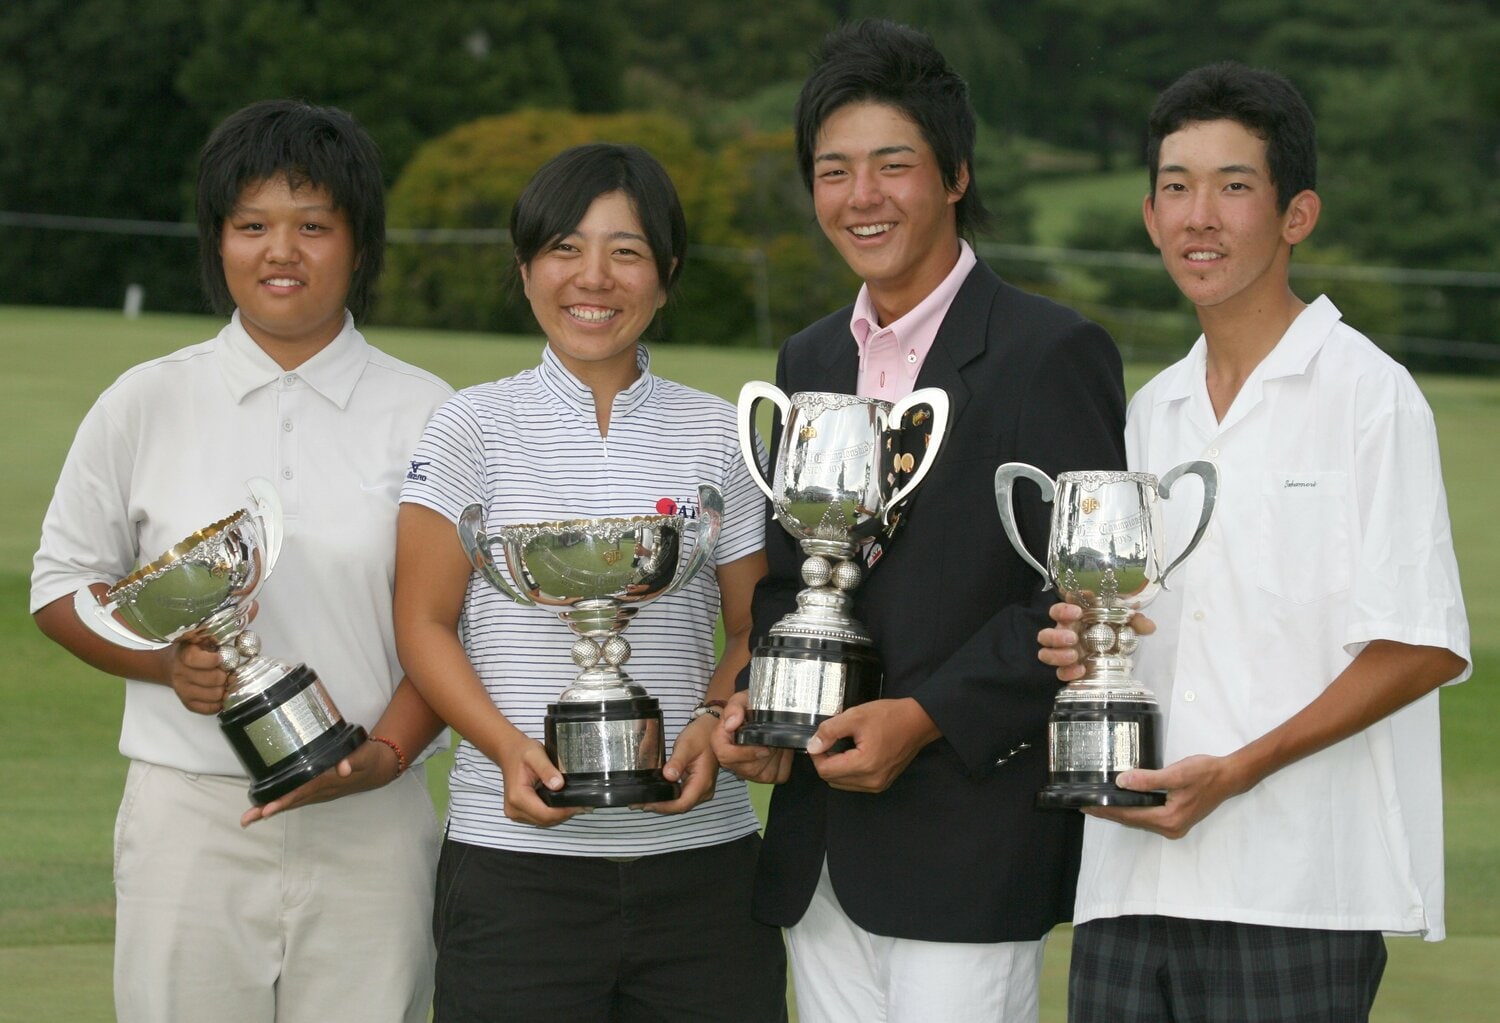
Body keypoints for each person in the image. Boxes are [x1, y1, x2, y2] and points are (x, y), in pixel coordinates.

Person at [710, 19, 1127, 1023]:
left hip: (967, 844)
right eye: (833, 169)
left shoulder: (1049, 350)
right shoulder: (808, 359)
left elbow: (1076, 597)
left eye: (892, 165)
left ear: (954, 174)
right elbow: (784, 582)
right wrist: (760, 713)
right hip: (818, 843)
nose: (862, 196)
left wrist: (923, 717)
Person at [1037, 63, 1471, 1022]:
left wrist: (1239, 771)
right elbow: (1146, 629)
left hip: (1298, 888)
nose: (1200, 215)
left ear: (1296, 215)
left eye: (1234, 186)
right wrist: (1085, 649)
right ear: (1149, 215)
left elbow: (1421, 643)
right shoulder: (1151, 412)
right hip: (1128, 876)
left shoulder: (1370, 393)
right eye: (1176, 187)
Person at [30, 101, 451, 1021]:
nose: (281, 252)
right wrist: (159, 663)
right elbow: (60, 584)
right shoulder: (146, 400)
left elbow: (458, 627)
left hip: (373, 816)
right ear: (218, 240)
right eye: (251, 225)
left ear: (359, 241)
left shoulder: (431, 415)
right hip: (190, 814)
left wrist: (387, 754)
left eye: (313, 226)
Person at [393, 142, 787, 1021]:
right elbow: (422, 620)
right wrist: (504, 747)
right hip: (513, 869)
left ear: (667, 270)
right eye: (566, 248)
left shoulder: (718, 432)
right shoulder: (471, 424)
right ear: (526, 266)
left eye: (627, 250)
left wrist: (703, 722)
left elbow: (751, 622)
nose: (594, 278)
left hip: (702, 862)